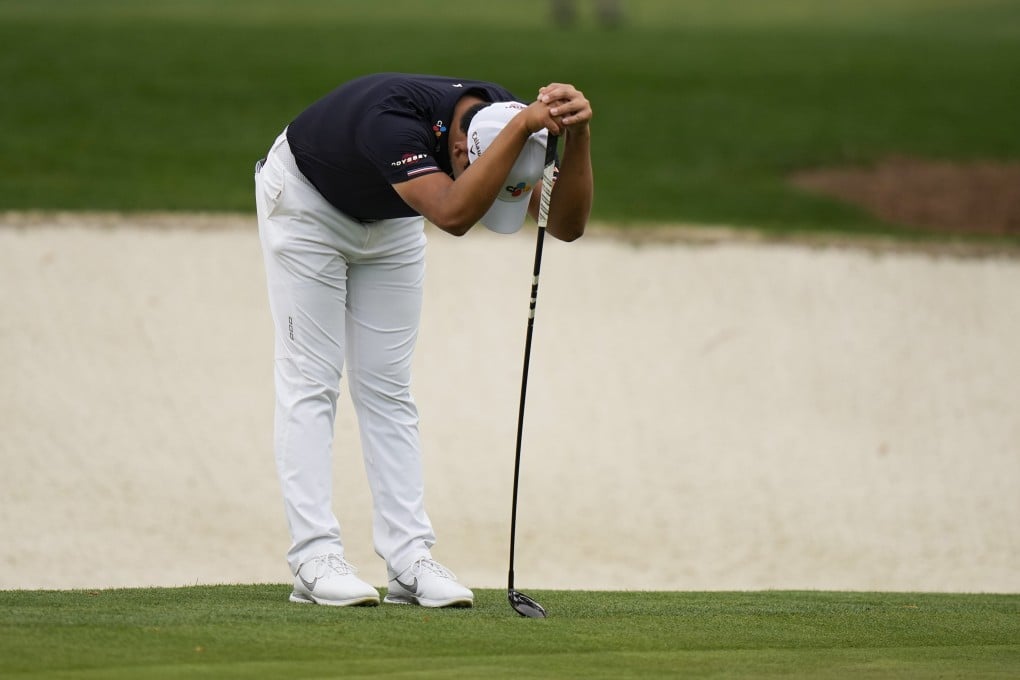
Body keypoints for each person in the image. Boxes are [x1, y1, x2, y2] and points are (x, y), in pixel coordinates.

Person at [253, 73, 593, 608]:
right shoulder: (392, 122)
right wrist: (524, 125)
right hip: (307, 205)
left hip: (393, 215)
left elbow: (566, 226)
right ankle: (313, 558)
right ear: (460, 152)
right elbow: (453, 214)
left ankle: (409, 559)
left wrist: (577, 136)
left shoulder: (507, 123)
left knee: (388, 388)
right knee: (311, 380)